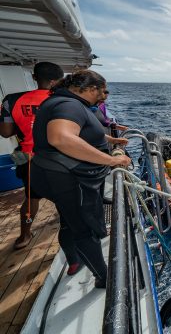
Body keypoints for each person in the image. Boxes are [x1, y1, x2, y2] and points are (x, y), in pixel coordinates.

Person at [30, 70, 131, 288]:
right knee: (83, 228)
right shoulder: (70, 105)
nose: (105, 97)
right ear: (88, 88)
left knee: (69, 220)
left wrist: (110, 138)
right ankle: (104, 278)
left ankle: (75, 261)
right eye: (103, 91)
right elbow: (61, 138)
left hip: (57, 176)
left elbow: (82, 130)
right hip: (68, 179)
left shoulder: (65, 102)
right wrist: (112, 160)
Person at [0, 62, 64, 251]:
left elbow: (5, 133)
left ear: (35, 78)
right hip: (58, 157)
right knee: (63, 196)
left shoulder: (11, 100)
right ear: (58, 81)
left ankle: (24, 235)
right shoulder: (64, 99)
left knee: (30, 198)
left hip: (27, 158)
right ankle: (67, 232)